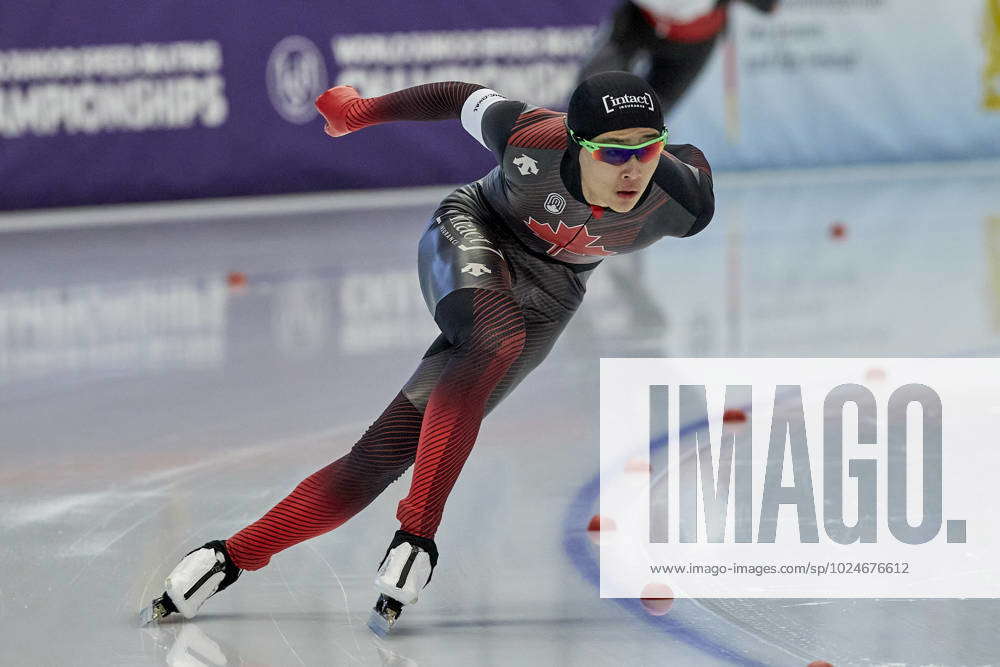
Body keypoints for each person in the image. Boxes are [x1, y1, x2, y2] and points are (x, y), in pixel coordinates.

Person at [141, 71, 715, 633]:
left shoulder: (680, 200)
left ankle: (228, 557)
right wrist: (359, 113)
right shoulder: (529, 135)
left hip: (553, 293)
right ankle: (417, 531)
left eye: (647, 150)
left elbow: (682, 174)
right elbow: (455, 96)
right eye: (613, 154)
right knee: (494, 336)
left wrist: (653, 156)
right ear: (574, 142)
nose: (633, 169)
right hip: (475, 229)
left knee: (383, 455)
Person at [579, 0, 779, 115]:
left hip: (694, 41)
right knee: (594, 91)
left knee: (651, 114)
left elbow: (771, 7)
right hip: (639, 23)